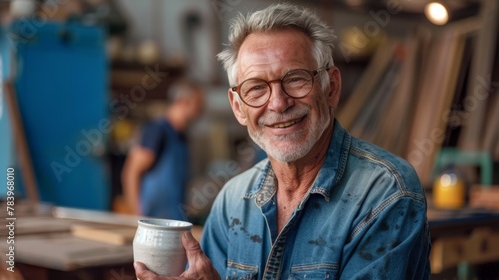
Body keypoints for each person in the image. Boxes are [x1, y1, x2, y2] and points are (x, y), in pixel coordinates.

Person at [134, 3, 431, 279]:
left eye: (296, 79)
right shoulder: (232, 202)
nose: (278, 103)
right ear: (238, 107)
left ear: (332, 88)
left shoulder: (385, 194)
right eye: (256, 88)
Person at [121, 79, 204, 220]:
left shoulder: (182, 137)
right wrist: (137, 216)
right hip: (152, 219)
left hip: (174, 218)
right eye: (199, 104)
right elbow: (131, 173)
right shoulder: (157, 132)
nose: (202, 109)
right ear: (183, 102)